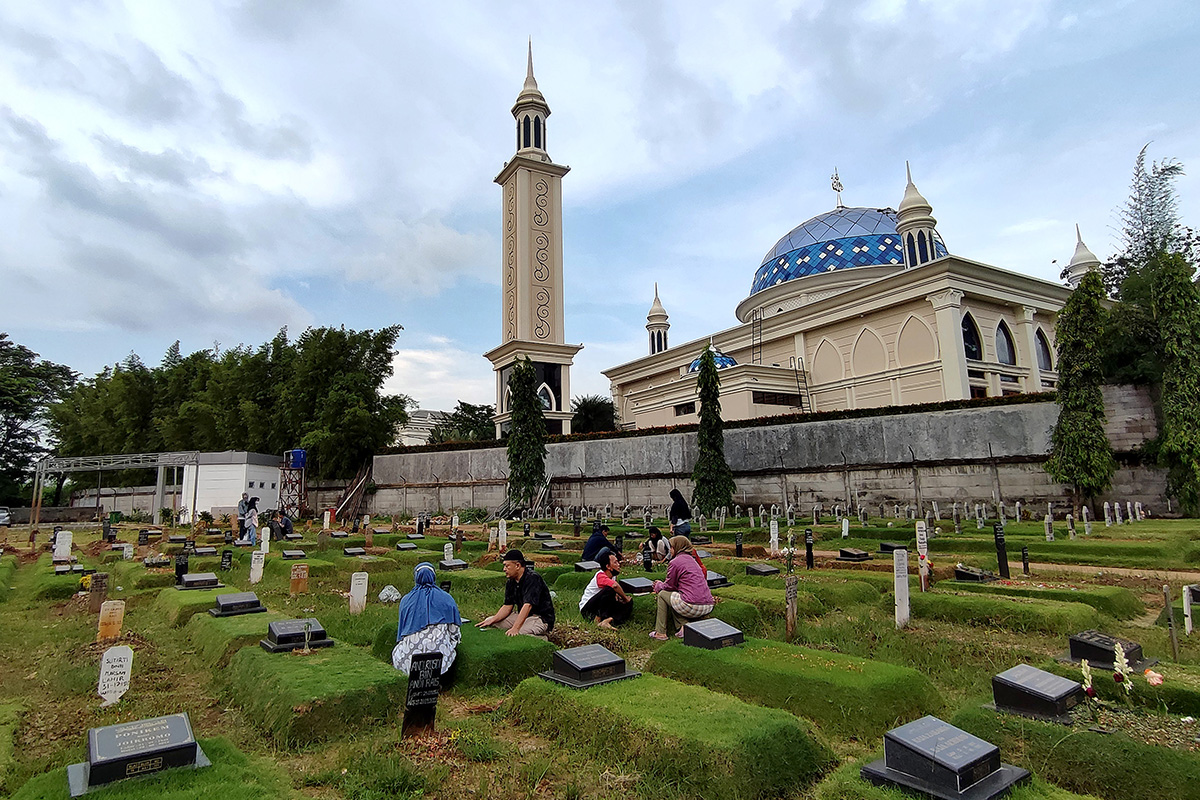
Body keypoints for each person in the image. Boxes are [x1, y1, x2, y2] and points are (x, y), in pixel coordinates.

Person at [393, 562, 462, 674]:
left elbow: (402, 631)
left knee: (398, 650)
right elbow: (454, 631)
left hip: (410, 659)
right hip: (439, 659)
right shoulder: (446, 598)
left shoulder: (406, 600)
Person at [477, 549, 555, 637]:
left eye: (507, 566)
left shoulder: (533, 578)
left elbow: (528, 605)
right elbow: (507, 606)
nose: (504, 569)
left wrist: (515, 628)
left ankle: (542, 638)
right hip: (523, 616)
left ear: (517, 565)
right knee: (491, 621)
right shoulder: (511, 581)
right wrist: (493, 619)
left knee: (520, 633)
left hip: (539, 618)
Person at [649, 536, 714, 641]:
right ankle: (684, 627)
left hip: (692, 606)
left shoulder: (675, 562)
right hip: (708, 605)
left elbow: (668, 586)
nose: (670, 550)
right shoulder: (694, 562)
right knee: (674, 597)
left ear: (678, 547)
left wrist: (658, 585)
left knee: (663, 595)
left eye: (671, 547)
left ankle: (660, 632)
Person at [579, 548, 632, 629]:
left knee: (629, 603)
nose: (618, 564)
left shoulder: (613, 576)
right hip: (588, 609)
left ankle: (610, 620)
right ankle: (598, 619)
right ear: (608, 566)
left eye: (618, 561)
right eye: (615, 562)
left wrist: (623, 599)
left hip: (600, 606)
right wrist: (625, 598)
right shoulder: (600, 575)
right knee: (610, 589)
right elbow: (615, 586)